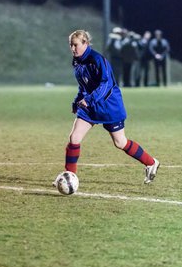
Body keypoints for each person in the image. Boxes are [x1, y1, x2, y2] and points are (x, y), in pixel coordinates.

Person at [53, 29, 160, 186]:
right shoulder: (76, 61)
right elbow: (84, 85)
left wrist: (89, 99)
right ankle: (70, 177)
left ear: (85, 43)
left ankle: (151, 163)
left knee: (120, 142)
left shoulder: (97, 59)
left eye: (75, 45)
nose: (73, 48)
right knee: (74, 138)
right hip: (90, 106)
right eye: (71, 45)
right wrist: (77, 100)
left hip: (108, 105)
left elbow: (106, 84)